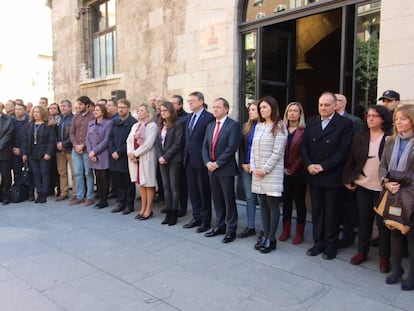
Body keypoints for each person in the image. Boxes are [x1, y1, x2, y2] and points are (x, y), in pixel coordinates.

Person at [300, 92, 353, 260]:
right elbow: (304, 146)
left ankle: (331, 246)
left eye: (327, 105)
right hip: (314, 174)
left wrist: (323, 166)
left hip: (331, 175)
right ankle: (318, 243)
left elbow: (343, 151)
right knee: (317, 211)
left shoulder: (345, 124)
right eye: (321, 104)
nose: (323, 107)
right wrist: (309, 164)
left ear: (335, 105)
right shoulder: (312, 121)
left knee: (332, 213)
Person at [343, 105, 392, 272]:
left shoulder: (390, 138)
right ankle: (362, 252)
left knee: (382, 225)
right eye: (368, 115)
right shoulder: (360, 136)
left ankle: (384, 257)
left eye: (374, 116)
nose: (370, 118)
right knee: (364, 221)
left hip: (383, 189)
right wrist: (348, 178)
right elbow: (351, 160)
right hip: (363, 185)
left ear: (383, 119)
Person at [379, 104, 414, 291]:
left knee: (411, 235)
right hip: (392, 193)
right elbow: (383, 165)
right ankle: (396, 269)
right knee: (395, 232)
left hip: (411, 195)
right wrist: (386, 182)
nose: (398, 122)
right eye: (396, 119)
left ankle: (412, 275)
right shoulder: (390, 141)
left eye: (403, 118)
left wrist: (402, 181)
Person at [251, 96, 287, 253]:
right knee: (263, 205)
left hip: (271, 173)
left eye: (264, 107)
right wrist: (253, 167)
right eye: (260, 108)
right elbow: (252, 149)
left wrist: (264, 169)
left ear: (272, 107)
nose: (261, 110)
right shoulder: (259, 126)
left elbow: (278, 152)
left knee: (272, 205)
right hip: (257, 173)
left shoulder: (280, 126)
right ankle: (265, 235)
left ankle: (272, 238)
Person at [202, 98, 241, 243]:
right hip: (211, 169)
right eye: (213, 107)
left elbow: (231, 148)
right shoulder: (210, 126)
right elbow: (204, 146)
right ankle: (220, 225)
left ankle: (231, 230)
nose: (215, 109)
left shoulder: (233, 126)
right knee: (217, 199)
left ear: (226, 109)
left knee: (228, 200)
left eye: (218, 107)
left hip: (225, 169)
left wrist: (217, 163)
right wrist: (207, 162)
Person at [182, 91, 214, 232]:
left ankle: (205, 221)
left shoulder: (209, 118)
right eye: (188, 101)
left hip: (201, 161)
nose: (190, 103)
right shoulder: (189, 117)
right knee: (193, 191)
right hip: (188, 160)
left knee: (203, 191)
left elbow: (209, 141)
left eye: (192, 100)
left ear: (201, 101)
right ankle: (196, 217)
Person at [335, 93, 363, 248]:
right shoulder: (325, 120)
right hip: (331, 170)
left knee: (348, 205)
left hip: (347, 169)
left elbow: (357, 147)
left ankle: (348, 236)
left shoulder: (354, 121)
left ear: (344, 104)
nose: (334, 103)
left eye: (337, 101)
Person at [279, 102, 307, 244]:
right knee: (286, 202)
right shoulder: (281, 129)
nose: (292, 113)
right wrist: (283, 168)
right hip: (282, 171)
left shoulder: (304, 130)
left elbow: (304, 153)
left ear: (300, 114)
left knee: (300, 203)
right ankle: (285, 230)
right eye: (290, 111)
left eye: (296, 111)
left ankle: (299, 233)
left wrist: (292, 169)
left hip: (299, 172)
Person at [127, 103, 157, 220]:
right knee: (142, 184)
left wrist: (135, 153)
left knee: (148, 184)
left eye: (142, 110)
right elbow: (129, 140)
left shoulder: (152, 126)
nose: (139, 112)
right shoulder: (135, 126)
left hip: (146, 158)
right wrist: (130, 153)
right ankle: (142, 208)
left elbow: (148, 144)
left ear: (148, 112)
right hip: (135, 159)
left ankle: (148, 209)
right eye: (138, 110)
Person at [156, 101, 183, 226]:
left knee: (174, 187)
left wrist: (166, 156)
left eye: (165, 110)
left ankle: (174, 213)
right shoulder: (161, 125)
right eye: (161, 111)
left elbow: (178, 143)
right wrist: (160, 156)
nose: (163, 113)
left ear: (171, 111)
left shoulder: (178, 124)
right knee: (166, 186)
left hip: (174, 159)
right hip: (162, 160)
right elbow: (157, 143)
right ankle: (168, 211)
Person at [21, 105, 56, 203]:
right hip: (32, 152)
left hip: (43, 152)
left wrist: (48, 152)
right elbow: (25, 141)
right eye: (34, 112)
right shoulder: (29, 125)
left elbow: (51, 140)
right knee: (35, 173)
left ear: (43, 113)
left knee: (44, 173)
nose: (36, 114)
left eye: (38, 112)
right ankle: (39, 193)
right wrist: (24, 153)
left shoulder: (48, 125)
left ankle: (44, 194)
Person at [109, 98, 137, 214]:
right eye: (119, 107)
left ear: (128, 109)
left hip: (125, 156)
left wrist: (119, 152)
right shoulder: (115, 121)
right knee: (119, 181)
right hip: (115, 156)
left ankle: (129, 204)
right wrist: (113, 151)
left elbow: (130, 142)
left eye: (123, 108)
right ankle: (121, 203)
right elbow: (110, 137)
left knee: (128, 182)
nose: (120, 110)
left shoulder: (133, 123)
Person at [69, 96, 95, 206]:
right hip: (76, 150)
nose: (78, 106)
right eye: (77, 104)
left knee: (88, 173)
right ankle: (80, 196)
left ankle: (90, 196)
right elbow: (71, 133)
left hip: (87, 150)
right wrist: (76, 145)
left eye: (80, 104)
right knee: (78, 173)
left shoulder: (93, 117)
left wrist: (83, 145)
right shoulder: (75, 117)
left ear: (87, 105)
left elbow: (92, 134)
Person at [238, 101, 259, 238]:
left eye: (254, 109)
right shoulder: (246, 127)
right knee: (250, 198)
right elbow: (241, 148)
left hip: (260, 169)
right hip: (246, 167)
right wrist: (243, 163)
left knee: (263, 201)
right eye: (250, 109)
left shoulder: (266, 127)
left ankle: (266, 229)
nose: (251, 112)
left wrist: (255, 165)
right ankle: (250, 226)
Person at [86, 103, 112, 209]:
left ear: (103, 112)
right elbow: (87, 139)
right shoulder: (91, 123)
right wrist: (90, 152)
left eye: (97, 110)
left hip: (103, 154)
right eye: (94, 110)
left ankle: (104, 200)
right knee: (97, 177)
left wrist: (95, 151)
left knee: (104, 177)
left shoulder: (108, 123)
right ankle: (100, 197)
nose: (95, 112)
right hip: (93, 154)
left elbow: (106, 140)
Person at [171, 94, 188, 217]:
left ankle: (182, 207)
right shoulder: (169, 118)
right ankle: (172, 206)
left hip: (181, 155)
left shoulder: (185, 118)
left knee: (181, 184)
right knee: (172, 184)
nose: (171, 106)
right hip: (170, 155)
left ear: (180, 105)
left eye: (174, 104)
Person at [0, 102, 15, 205]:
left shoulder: (9, 120)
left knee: (6, 176)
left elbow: (9, 135)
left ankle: (6, 196)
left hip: (4, 152)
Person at [47, 103, 61, 197]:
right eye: (50, 108)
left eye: (54, 108)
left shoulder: (60, 120)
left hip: (59, 148)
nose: (52, 110)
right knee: (50, 169)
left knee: (59, 170)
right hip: (49, 148)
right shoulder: (46, 121)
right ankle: (50, 188)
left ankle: (60, 189)